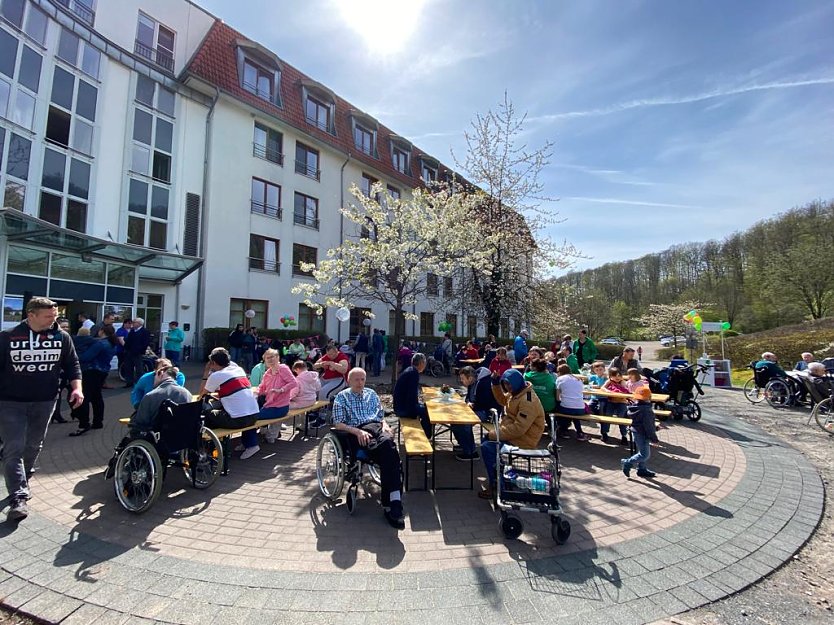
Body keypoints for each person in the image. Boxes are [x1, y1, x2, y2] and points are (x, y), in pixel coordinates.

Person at [0, 297, 83, 521]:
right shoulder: (8, 337)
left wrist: (77, 389)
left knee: (33, 445)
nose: (53, 320)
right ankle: (18, 497)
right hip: (10, 403)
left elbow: (72, 365)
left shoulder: (61, 337)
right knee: (13, 448)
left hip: (45, 401)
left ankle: (24, 477)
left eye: (55, 316)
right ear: (31, 315)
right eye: (48, 316)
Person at [332, 368, 405, 529]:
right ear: (349, 381)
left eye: (362, 379)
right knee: (390, 453)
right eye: (356, 380)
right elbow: (338, 423)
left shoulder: (371, 393)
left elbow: (380, 415)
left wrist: (385, 425)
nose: (360, 383)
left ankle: (392, 502)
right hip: (357, 431)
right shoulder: (342, 397)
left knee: (388, 446)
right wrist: (357, 431)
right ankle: (393, 502)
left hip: (377, 428)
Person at [479, 369, 545, 499]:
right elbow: (503, 400)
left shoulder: (528, 400)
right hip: (515, 433)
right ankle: (500, 475)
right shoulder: (518, 392)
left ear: (517, 382)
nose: (507, 387)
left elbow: (518, 429)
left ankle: (498, 486)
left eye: (509, 384)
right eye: (505, 384)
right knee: (486, 443)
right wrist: (496, 384)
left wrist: (494, 434)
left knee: (488, 447)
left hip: (524, 439)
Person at [200, 348, 261, 459]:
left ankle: (212, 448)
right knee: (236, 409)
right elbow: (234, 392)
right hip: (254, 415)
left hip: (238, 420)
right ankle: (247, 443)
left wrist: (206, 373)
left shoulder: (216, 375)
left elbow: (201, 395)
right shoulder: (239, 370)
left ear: (213, 363)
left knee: (205, 410)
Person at [69, 325, 118, 436]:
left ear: (102, 331)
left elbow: (86, 357)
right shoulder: (112, 343)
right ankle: (98, 421)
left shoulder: (100, 344)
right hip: (103, 372)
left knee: (85, 397)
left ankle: (84, 424)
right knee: (97, 397)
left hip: (91, 371)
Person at [450, 366, 502, 461]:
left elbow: (484, 403)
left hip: (488, 413)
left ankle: (471, 452)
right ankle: (464, 445)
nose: (461, 381)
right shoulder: (472, 382)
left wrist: (472, 405)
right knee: (454, 420)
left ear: (469, 378)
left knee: (464, 423)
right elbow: (468, 398)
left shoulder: (484, 383)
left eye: (462, 379)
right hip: (476, 409)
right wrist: (468, 403)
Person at [129, 365, 192, 435]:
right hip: (181, 436)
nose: (153, 380)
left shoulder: (150, 396)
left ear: (161, 374)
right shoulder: (187, 394)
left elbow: (141, 422)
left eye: (155, 376)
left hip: (157, 438)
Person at [256, 349, 298, 443]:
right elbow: (262, 387)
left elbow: (293, 382)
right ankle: (263, 434)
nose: (270, 360)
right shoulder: (267, 373)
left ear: (278, 357)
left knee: (253, 417)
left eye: (272, 357)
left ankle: (254, 441)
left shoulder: (283, 368)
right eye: (267, 358)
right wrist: (254, 391)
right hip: (269, 404)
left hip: (280, 407)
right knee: (251, 411)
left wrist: (281, 390)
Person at [621, 386, 659, 478]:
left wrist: (655, 426)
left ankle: (641, 469)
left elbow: (644, 422)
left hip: (636, 431)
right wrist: (654, 438)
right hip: (643, 432)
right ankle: (627, 462)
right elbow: (648, 426)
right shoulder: (646, 410)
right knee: (644, 455)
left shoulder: (635, 406)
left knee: (641, 451)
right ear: (649, 397)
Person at [393, 353, 431, 437]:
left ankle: (424, 433)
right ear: (421, 363)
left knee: (425, 408)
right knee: (428, 412)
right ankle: (425, 436)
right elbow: (411, 396)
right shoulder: (413, 374)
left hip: (400, 406)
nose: (425, 366)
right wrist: (415, 412)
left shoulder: (410, 370)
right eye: (424, 363)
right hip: (403, 409)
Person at [554, 364, 589, 440]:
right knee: (574, 412)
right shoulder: (578, 379)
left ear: (560, 372)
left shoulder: (559, 379)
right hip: (580, 409)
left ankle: (563, 430)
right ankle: (579, 432)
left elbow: (557, 397)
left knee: (561, 408)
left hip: (566, 409)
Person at [601, 367, 630, 445]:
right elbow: (602, 387)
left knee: (621, 419)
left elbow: (625, 389)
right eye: (615, 376)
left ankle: (624, 436)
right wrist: (608, 391)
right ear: (610, 376)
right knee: (607, 417)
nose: (617, 378)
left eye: (619, 376)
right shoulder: (609, 381)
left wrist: (620, 390)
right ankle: (604, 433)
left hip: (622, 403)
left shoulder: (623, 382)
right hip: (611, 402)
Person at [524, 357, 557, 421]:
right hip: (549, 406)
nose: (529, 367)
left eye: (530, 365)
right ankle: (552, 426)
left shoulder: (527, 376)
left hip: (533, 406)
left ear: (534, 367)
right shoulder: (550, 376)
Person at [123, 317, 150, 387]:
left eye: (134, 322)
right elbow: (128, 340)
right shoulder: (132, 331)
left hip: (138, 353)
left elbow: (145, 343)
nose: (132, 324)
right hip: (129, 352)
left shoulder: (145, 331)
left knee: (139, 369)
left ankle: (139, 383)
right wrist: (126, 348)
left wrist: (140, 350)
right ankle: (129, 382)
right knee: (128, 367)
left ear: (139, 324)